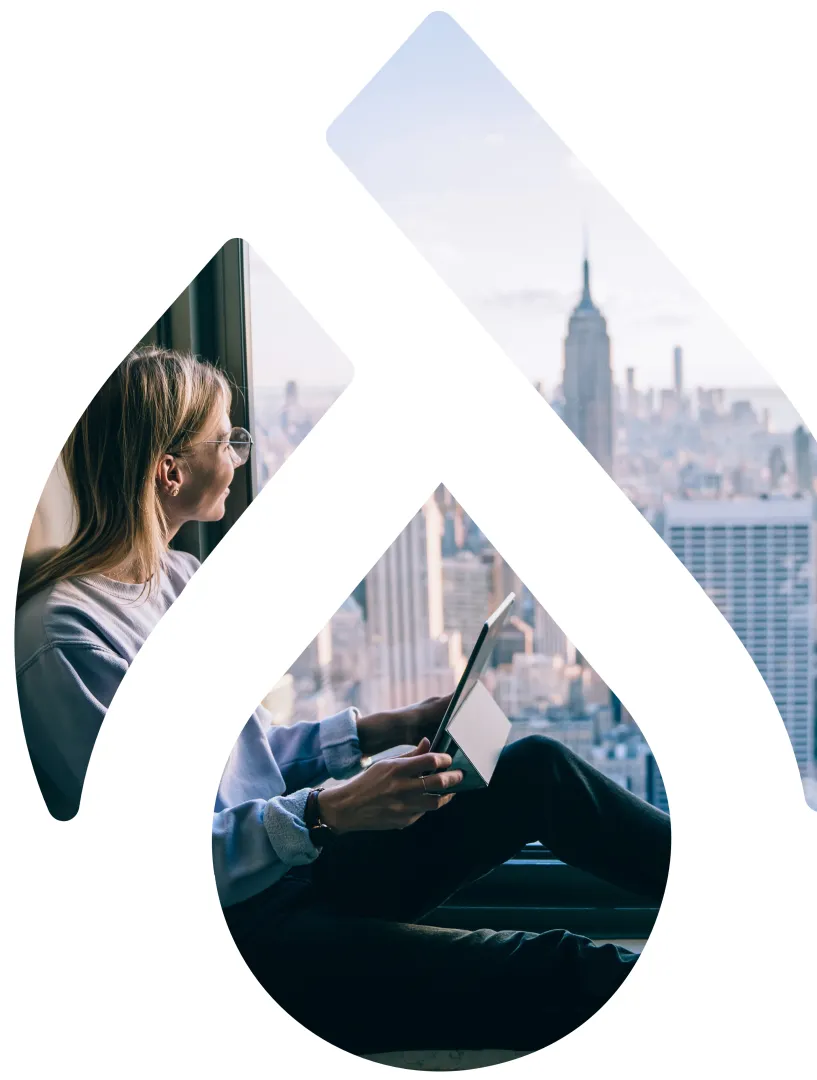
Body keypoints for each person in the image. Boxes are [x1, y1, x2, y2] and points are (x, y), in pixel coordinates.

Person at [16, 346, 671, 1056]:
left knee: (536, 767)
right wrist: (329, 813)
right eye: (227, 438)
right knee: (565, 968)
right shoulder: (68, 638)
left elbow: (244, 759)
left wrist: (377, 730)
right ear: (170, 470)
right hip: (239, 933)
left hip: (291, 869)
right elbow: (144, 858)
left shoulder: (175, 578)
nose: (240, 454)